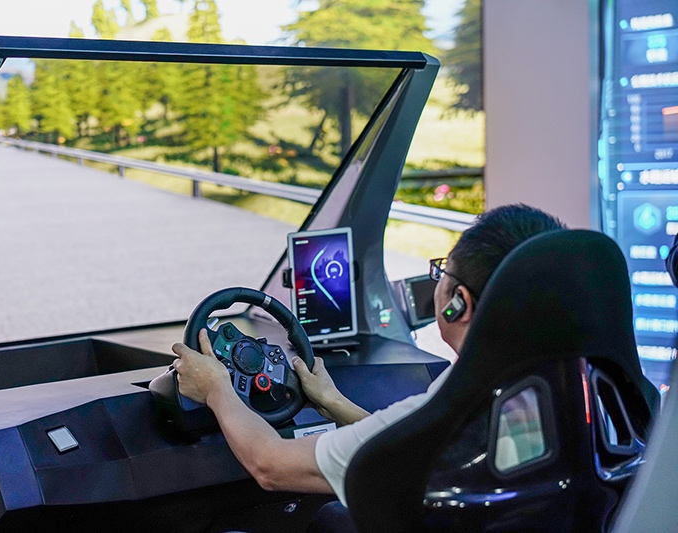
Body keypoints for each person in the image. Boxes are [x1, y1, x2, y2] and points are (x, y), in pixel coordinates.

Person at [171, 204, 566, 506]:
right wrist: (333, 402)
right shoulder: (570, 387)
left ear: (457, 304)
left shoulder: (456, 407)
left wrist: (216, 388)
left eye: (441, 274)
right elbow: (401, 444)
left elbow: (270, 465)